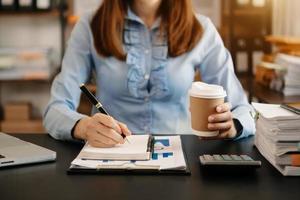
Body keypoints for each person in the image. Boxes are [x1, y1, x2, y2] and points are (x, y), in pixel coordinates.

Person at [43, 0, 255, 147]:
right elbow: (56, 109)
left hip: (182, 157)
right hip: (111, 157)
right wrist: (83, 127)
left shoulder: (201, 28)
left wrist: (233, 126)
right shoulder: (90, 26)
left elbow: (242, 109)